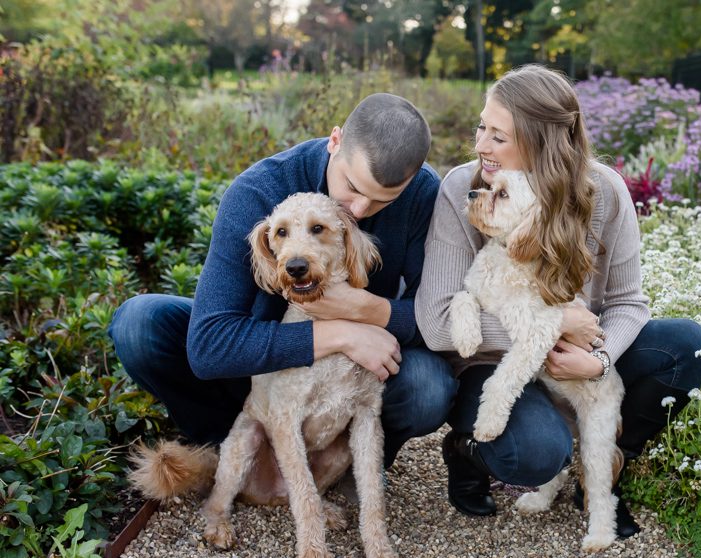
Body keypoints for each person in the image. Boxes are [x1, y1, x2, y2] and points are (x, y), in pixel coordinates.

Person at [109, 93, 457, 501]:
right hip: (262, 372)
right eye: (352, 187)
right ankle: (235, 450)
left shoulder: (423, 194)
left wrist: (364, 309)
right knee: (138, 325)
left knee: (429, 386)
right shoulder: (259, 190)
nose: (360, 209)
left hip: (352, 379)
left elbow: (436, 321)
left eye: (383, 198)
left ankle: (352, 464)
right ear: (334, 141)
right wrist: (340, 333)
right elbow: (208, 346)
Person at [415, 65, 701, 537]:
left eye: (498, 136)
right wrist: (551, 326)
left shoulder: (605, 192)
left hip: (578, 354)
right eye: (481, 128)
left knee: (688, 345)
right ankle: (468, 450)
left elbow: (628, 302)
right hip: (491, 362)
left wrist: (597, 359)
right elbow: (435, 325)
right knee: (533, 454)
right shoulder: (462, 189)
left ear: (540, 142)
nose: (480, 146)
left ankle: (610, 461)